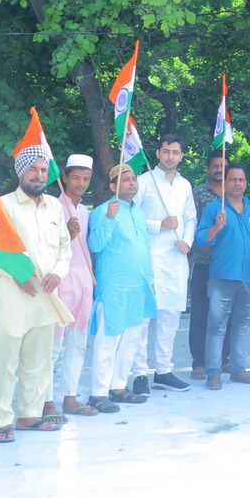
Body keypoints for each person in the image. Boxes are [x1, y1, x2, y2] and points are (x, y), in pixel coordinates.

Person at [0, 148, 73, 442]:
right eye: (33, 170)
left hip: (45, 293)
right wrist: (17, 274)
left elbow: (65, 248)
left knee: (39, 360)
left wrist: (58, 272)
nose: (39, 175)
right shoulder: (2, 206)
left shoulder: (54, 206)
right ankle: (1, 422)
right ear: (21, 172)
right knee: (5, 362)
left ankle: (30, 415)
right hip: (12, 292)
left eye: (43, 170)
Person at [194, 163, 250, 390]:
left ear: (246, 183)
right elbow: (200, 239)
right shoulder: (214, 209)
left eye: (241, 180)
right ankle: (213, 373)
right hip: (222, 277)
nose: (237, 183)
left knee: (242, 325)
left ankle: (238, 370)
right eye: (233, 179)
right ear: (225, 182)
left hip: (247, 279)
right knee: (216, 326)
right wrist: (216, 228)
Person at [87, 164, 157, 413]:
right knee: (108, 340)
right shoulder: (102, 211)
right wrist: (109, 217)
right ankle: (97, 393)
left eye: (133, 179)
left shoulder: (139, 213)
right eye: (125, 180)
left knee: (131, 340)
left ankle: (117, 387)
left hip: (138, 285)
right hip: (113, 286)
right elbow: (95, 245)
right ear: (113, 186)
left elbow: (145, 249)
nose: (131, 183)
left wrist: (150, 280)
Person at [132, 134, 196, 393]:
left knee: (170, 318)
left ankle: (164, 371)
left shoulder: (185, 185)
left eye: (175, 152)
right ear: (158, 153)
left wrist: (187, 242)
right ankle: (139, 373)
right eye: (166, 151)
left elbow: (190, 219)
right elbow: (132, 217)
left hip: (176, 259)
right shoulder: (143, 181)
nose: (170, 156)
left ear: (181, 156)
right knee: (144, 318)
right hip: (149, 259)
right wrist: (159, 225)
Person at [46, 154, 94, 419]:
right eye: (75, 177)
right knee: (53, 345)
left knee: (78, 343)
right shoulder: (52, 206)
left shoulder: (85, 211)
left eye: (86, 179)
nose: (80, 183)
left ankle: (70, 398)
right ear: (64, 177)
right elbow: (45, 245)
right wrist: (67, 232)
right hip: (59, 281)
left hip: (83, 281)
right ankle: (46, 401)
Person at [188, 153, 226, 380]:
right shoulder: (198, 193)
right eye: (215, 166)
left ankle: (226, 358)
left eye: (223, 165)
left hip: (228, 265)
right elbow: (192, 225)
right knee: (201, 313)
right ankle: (199, 362)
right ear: (208, 168)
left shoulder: (234, 192)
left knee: (226, 313)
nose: (219, 170)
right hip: (204, 262)